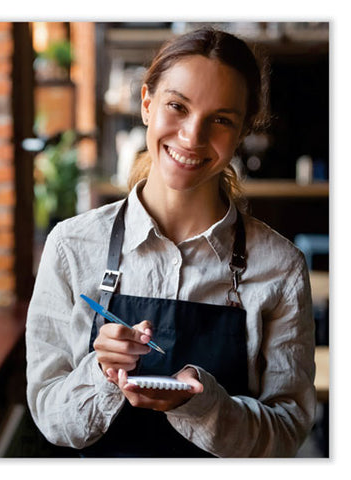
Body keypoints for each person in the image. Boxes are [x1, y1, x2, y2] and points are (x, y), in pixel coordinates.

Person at [25, 27, 316, 457]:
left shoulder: (281, 268)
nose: (192, 137)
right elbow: (51, 418)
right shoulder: (71, 246)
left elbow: (286, 433)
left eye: (221, 120)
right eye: (177, 106)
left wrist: (202, 406)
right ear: (147, 104)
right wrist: (103, 372)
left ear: (242, 132)